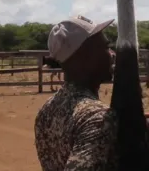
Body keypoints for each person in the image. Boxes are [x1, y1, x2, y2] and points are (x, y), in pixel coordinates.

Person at [34, 15, 118, 170]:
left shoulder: (46, 111)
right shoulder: (97, 117)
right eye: (105, 47)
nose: (112, 54)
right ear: (84, 56)